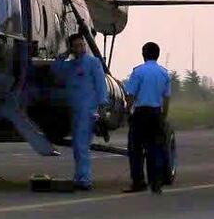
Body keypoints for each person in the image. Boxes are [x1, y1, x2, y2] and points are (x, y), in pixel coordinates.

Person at [51, 35, 109, 190]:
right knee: (78, 145)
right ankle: (80, 176)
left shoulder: (93, 63)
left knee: (81, 145)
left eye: (82, 45)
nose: (81, 48)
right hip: (75, 111)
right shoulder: (69, 66)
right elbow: (55, 70)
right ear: (71, 48)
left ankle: (84, 179)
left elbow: (100, 84)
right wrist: (65, 54)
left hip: (88, 111)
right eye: (76, 46)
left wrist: (102, 106)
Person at [121, 41, 172, 194]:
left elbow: (130, 95)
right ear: (158, 55)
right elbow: (167, 97)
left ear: (143, 54)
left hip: (141, 113)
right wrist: (163, 115)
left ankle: (138, 181)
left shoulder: (138, 72)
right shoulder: (164, 73)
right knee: (155, 148)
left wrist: (127, 111)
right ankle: (155, 182)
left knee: (136, 148)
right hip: (156, 113)